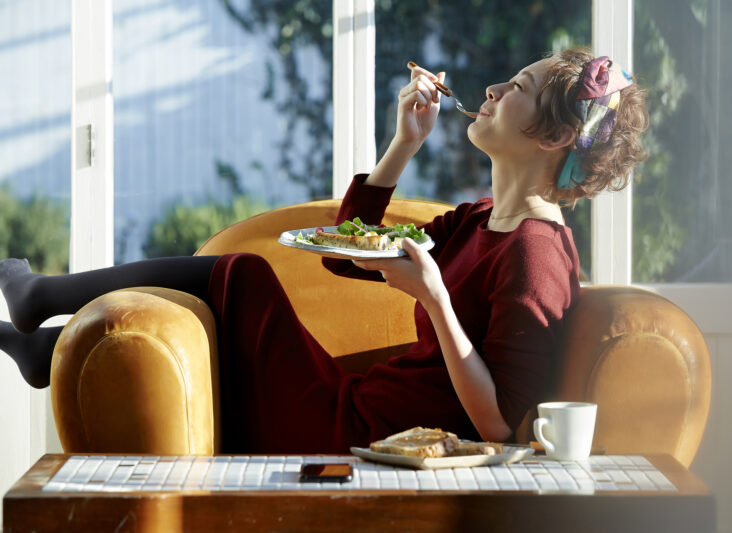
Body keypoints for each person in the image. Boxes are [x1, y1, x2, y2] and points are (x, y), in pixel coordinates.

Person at [0, 48, 648, 453]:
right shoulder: (482, 219)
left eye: (517, 90)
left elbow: (503, 422)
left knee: (248, 276)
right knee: (244, 286)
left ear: (556, 136)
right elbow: (345, 253)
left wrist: (434, 298)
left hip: (362, 439)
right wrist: (404, 144)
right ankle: (41, 333)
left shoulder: (537, 254)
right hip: (356, 405)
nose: (490, 93)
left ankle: (41, 303)